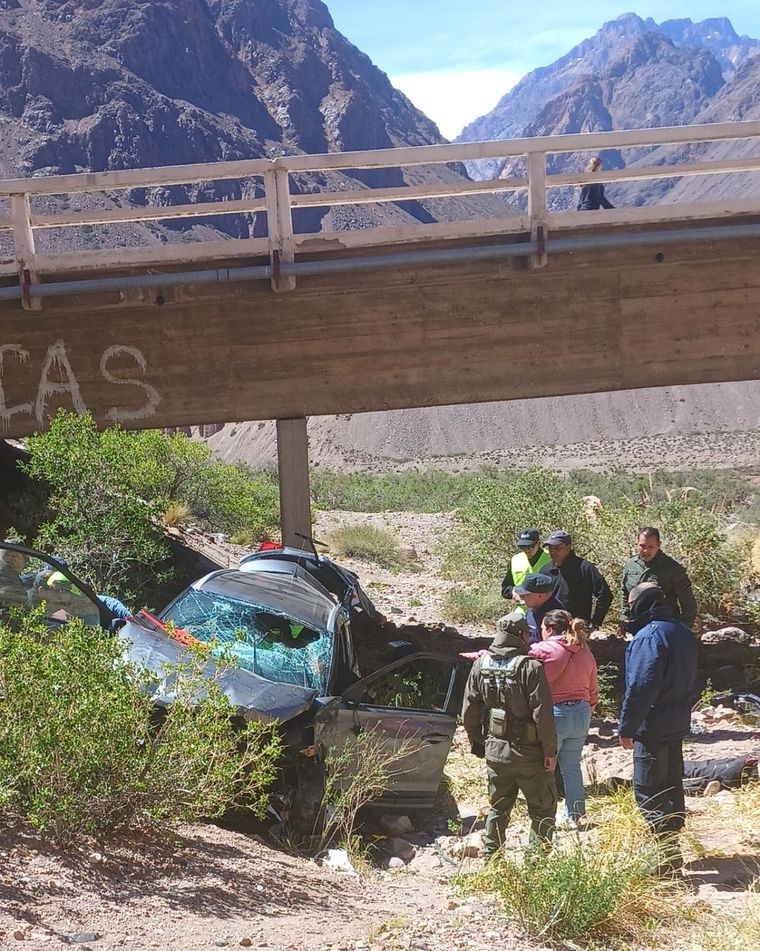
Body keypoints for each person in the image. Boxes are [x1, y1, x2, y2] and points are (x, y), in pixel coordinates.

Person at [462, 611, 557, 856]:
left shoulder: (479, 665)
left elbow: (469, 710)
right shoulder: (531, 667)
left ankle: (492, 859)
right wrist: (550, 751)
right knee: (542, 809)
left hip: (495, 749)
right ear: (521, 636)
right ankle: (536, 866)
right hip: (529, 753)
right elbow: (542, 714)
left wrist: (476, 741)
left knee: (498, 807)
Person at [618, 583, 698, 857]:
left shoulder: (648, 637)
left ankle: (663, 855)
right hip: (676, 722)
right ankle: (672, 845)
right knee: (671, 785)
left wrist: (627, 726)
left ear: (641, 603)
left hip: (651, 726)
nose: (628, 609)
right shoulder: (682, 632)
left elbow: (641, 686)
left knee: (648, 790)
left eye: (630, 604)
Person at [530, 610, 598, 827]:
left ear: (549, 629)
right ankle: (575, 815)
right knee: (571, 766)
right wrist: (591, 706)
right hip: (582, 712)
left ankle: (544, 817)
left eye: (542, 628)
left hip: (556, 714)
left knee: (545, 765)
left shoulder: (544, 648)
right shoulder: (584, 650)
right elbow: (593, 687)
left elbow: (515, 658)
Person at [621, 528, 697, 628]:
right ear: (637, 543)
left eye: (650, 547)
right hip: (637, 625)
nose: (645, 550)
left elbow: (688, 603)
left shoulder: (673, 568)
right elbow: (625, 593)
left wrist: (684, 627)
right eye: (642, 546)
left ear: (659, 545)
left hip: (665, 625)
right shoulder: (630, 565)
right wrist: (624, 619)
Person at [540, 531, 612, 628]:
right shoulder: (545, 571)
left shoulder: (584, 568)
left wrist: (595, 623)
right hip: (551, 628)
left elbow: (605, 595)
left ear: (569, 547)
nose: (553, 552)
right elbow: (537, 598)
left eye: (557, 548)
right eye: (550, 548)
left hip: (577, 629)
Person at [501, 528, 552, 602]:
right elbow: (505, 588)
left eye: (530, 546)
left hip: (546, 609)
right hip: (522, 610)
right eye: (523, 547)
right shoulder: (515, 560)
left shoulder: (551, 558)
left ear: (539, 543)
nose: (527, 550)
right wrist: (513, 591)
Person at [513, 573, 566, 644]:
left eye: (525, 595)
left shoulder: (556, 617)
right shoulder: (533, 606)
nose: (522, 599)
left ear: (540, 596)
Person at [0, 542, 30, 609]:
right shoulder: (8, 577)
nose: (9, 559)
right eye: (6, 555)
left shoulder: (16, 578)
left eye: (14, 556)